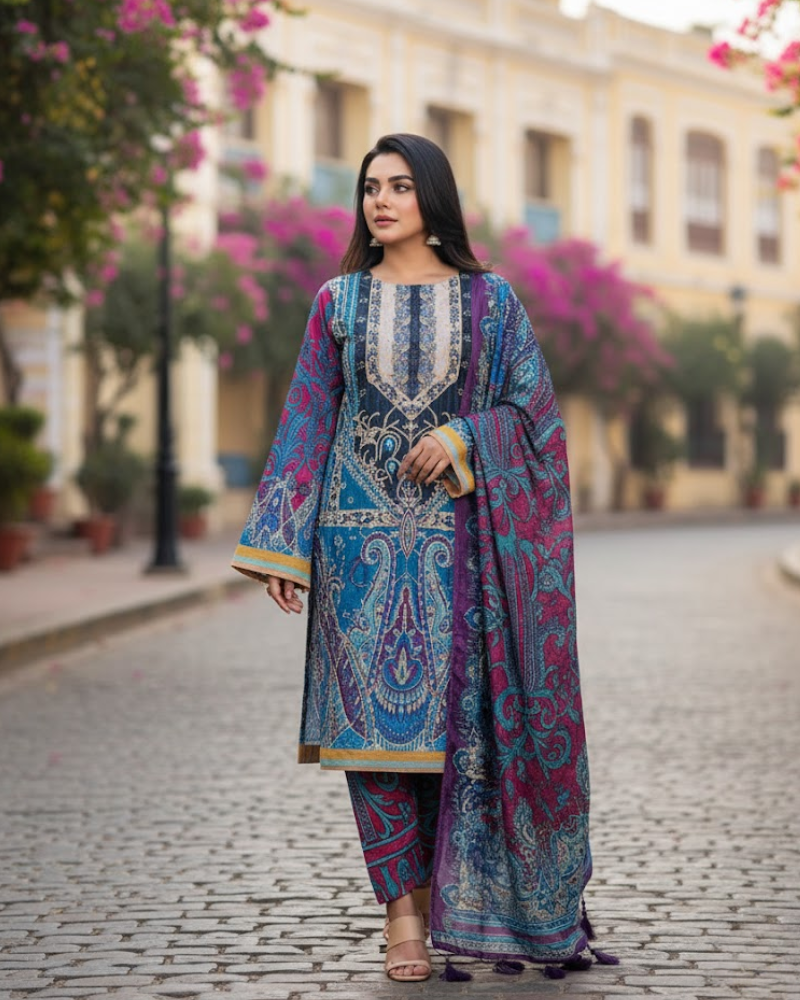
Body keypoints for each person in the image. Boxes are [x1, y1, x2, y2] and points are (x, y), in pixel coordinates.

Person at [232, 133, 602, 983]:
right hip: (356, 550)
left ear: (433, 197)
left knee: (450, 741)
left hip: (461, 558)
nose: (382, 201)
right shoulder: (337, 303)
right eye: (370, 188)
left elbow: (537, 422)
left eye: (400, 186)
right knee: (372, 742)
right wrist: (282, 543)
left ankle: (447, 904)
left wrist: (464, 434)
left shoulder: (492, 303)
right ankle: (402, 919)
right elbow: (306, 418)